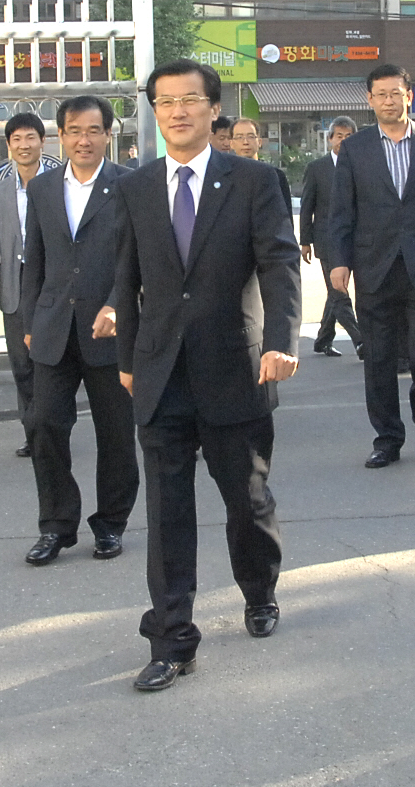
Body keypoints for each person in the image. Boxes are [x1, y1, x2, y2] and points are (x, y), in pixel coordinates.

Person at [109, 59, 302, 692]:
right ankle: (172, 640)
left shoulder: (253, 181)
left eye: (190, 100)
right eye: (165, 102)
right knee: (167, 513)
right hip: (161, 375)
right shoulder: (136, 188)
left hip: (234, 369)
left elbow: (278, 266)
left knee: (246, 502)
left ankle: (259, 589)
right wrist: (129, 362)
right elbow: (127, 280)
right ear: (155, 112)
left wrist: (280, 342)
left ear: (212, 108)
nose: (178, 112)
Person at [18, 95, 138, 566]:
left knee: (115, 433)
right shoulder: (44, 188)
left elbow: (137, 259)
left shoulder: (128, 185)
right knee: (44, 424)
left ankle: (110, 524)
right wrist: (30, 321)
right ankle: (56, 526)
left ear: (108, 134)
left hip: (110, 332)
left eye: (93, 130)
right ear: (61, 136)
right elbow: (35, 259)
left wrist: (117, 305)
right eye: (74, 131)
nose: (83, 139)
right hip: (52, 329)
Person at [329, 64, 415, 468]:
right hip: (374, 265)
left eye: (396, 93)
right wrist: (339, 262)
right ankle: (387, 438)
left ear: (410, 95)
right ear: (369, 100)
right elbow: (342, 211)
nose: (389, 101)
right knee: (379, 358)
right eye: (381, 95)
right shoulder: (355, 149)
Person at [0, 113, 62, 457]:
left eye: (30, 138)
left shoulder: (58, 182)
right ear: (9, 145)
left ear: (42, 142)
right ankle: (34, 433)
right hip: (15, 283)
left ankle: (53, 429)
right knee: (22, 365)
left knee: (50, 363)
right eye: (17, 140)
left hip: (52, 283)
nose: (24, 146)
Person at [298, 117, 364, 358]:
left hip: (357, 239)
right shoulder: (317, 168)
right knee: (339, 292)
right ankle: (360, 341)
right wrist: (305, 240)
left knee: (334, 292)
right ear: (330, 139)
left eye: (348, 137)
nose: (343, 141)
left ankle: (323, 339)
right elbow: (307, 206)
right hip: (326, 241)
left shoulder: (362, 165)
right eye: (339, 136)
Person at [227, 118, 291, 207]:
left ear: (259, 142)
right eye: (239, 137)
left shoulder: (276, 174)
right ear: (231, 144)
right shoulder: (225, 176)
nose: (245, 142)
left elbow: (285, 213)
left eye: (251, 136)